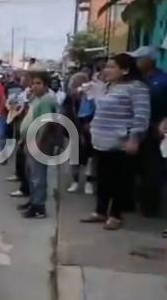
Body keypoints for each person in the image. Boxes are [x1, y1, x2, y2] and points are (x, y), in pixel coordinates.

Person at [81, 53, 150, 230]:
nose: (107, 70)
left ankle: (116, 215)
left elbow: (141, 116)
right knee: (102, 178)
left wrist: (134, 138)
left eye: (112, 67)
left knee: (119, 181)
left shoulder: (137, 88)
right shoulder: (109, 86)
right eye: (106, 67)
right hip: (101, 140)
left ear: (125, 70)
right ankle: (100, 211)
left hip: (121, 141)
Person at [129, 46, 167, 217]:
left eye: (139, 59)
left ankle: (150, 206)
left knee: (152, 170)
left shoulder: (162, 80)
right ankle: (137, 201)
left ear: (148, 61)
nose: (136, 62)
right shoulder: (138, 80)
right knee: (138, 169)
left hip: (156, 132)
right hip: (139, 130)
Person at [17, 72, 59, 218]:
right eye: (33, 83)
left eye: (38, 83)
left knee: (38, 176)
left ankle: (39, 207)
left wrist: (38, 143)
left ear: (46, 85)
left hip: (39, 143)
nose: (34, 86)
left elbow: (46, 124)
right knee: (32, 174)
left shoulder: (46, 100)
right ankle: (33, 201)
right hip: (30, 140)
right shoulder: (37, 99)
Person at [63, 72, 96, 194]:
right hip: (74, 129)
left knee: (90, 158)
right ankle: (75, 182)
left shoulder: (90, 96)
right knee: (75, 158)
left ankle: (89, 182)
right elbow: (65, 112)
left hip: (88, 130)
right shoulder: (69, 98)